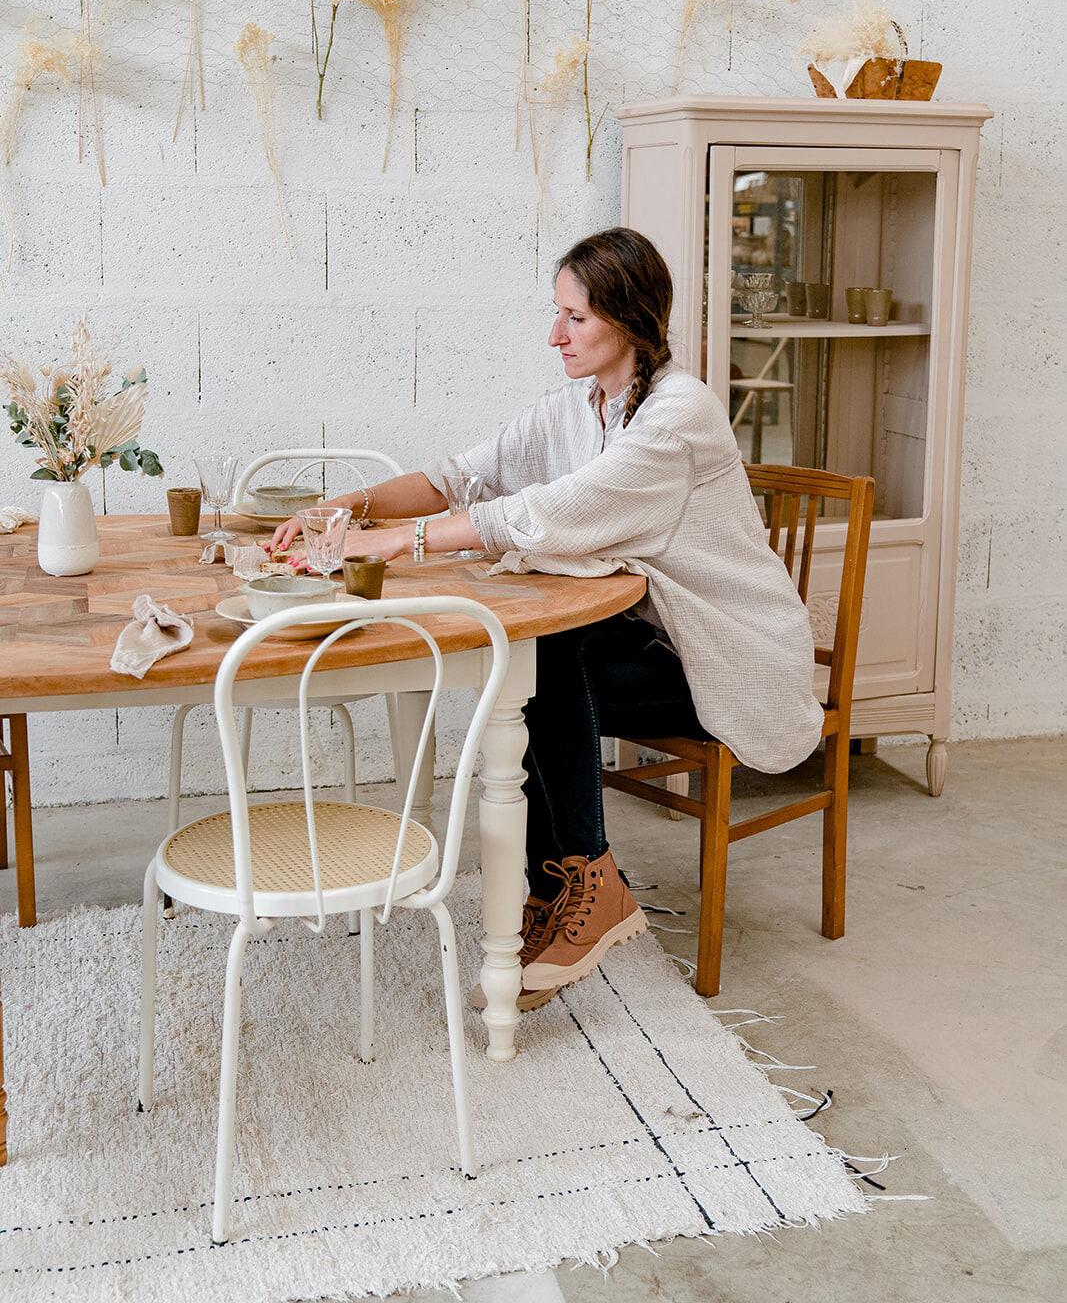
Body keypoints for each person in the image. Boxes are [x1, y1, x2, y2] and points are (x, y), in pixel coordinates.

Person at [272, 227, 823, 1003]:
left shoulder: (675, 416)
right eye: (557, 313)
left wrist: (400, 541)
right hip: (652, 639)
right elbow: (458, 477)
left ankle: (586, 890)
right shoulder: (576, 404)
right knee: (528, 661)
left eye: (575, 318)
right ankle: (562, 895)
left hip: (729, 659)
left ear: (628, 321)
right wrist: (341, 503)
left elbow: (547, 511)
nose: (554, 334)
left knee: (539, 663)